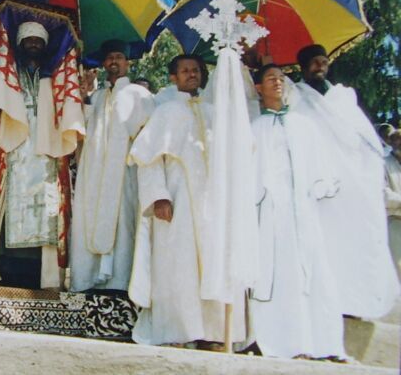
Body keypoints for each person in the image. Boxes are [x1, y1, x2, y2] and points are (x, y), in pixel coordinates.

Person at [127, 54, 244, 347]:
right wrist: (158, 197)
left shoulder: (217, 112)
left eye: (196, 71)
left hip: (214, 206)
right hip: (178, 204)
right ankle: (178, 331)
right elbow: (148, 160)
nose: (191, 75)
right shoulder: (166, 112)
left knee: (215, 261)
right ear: (173, 78)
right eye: (185, 71)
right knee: (179, 268)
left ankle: (215, 333)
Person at [290, 44, 399, 318]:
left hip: (349, 185)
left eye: (323, 61)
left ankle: (351, 303)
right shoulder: (296, 97)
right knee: (321, 246)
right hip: (315, 185)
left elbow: (367, 143)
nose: (319, 66)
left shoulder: (344, 98)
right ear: (303, 67)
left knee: (350, 242)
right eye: (314, 62)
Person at [249, 64, 345, 359]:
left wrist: (318, 187)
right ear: (258, 88)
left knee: (315, 273)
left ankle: (324, 343)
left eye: (281, 78)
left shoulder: (304, 125)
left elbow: (322, 166)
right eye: (270, 79)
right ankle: (284, 342)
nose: (277, 83)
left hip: (304, 212)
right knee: (278, 274)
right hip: (271, 216)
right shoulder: (254, 128)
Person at [0, 18, 84, 289]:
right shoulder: (10, 75)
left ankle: (46, 277)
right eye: (28, 40)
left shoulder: (55, 78)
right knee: (10, 212)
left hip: (47, 155)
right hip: (15, 154)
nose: (33, 44)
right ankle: (7, 274)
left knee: (48, 212)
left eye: (38, 41)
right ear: (19, 44)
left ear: (44, 46)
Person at [69, 40, 154, 293]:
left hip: (124, 173)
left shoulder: (141, 96)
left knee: (123, 226)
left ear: (128, 63)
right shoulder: (97, 97)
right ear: (104, 64)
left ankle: (120, 284)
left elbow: (148, 135)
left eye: (119, 57)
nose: (114, 62)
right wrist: (83, 99)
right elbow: (80, 131)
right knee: (89, 219)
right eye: (109, 58)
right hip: (94, 171)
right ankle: (87, 280)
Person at [384, 129, 401, 281]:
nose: (400, 142)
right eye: (396, 139)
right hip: (396, 223)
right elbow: (384, 195)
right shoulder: (383, 164)